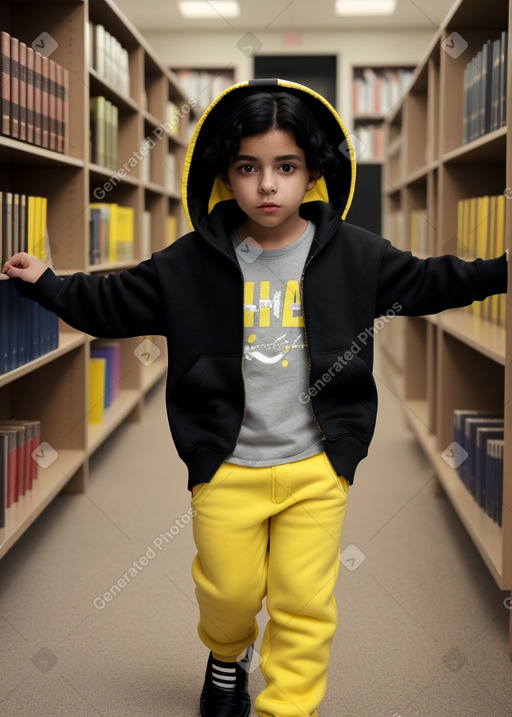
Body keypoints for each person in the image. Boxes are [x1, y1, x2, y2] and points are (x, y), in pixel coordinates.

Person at [3, 79, 508, 717]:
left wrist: (502, 270)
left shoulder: (357, 255)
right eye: (249, 168)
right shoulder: (187, 264)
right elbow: (109, 303)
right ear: (225, 175)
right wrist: (47, 283)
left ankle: (288, 706)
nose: (268, 186)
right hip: (227, 464)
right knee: (229, 595)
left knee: (304, 598)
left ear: (314, 173)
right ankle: (226, 655)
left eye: (286, 167)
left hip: (316, 466)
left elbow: (435, 280)